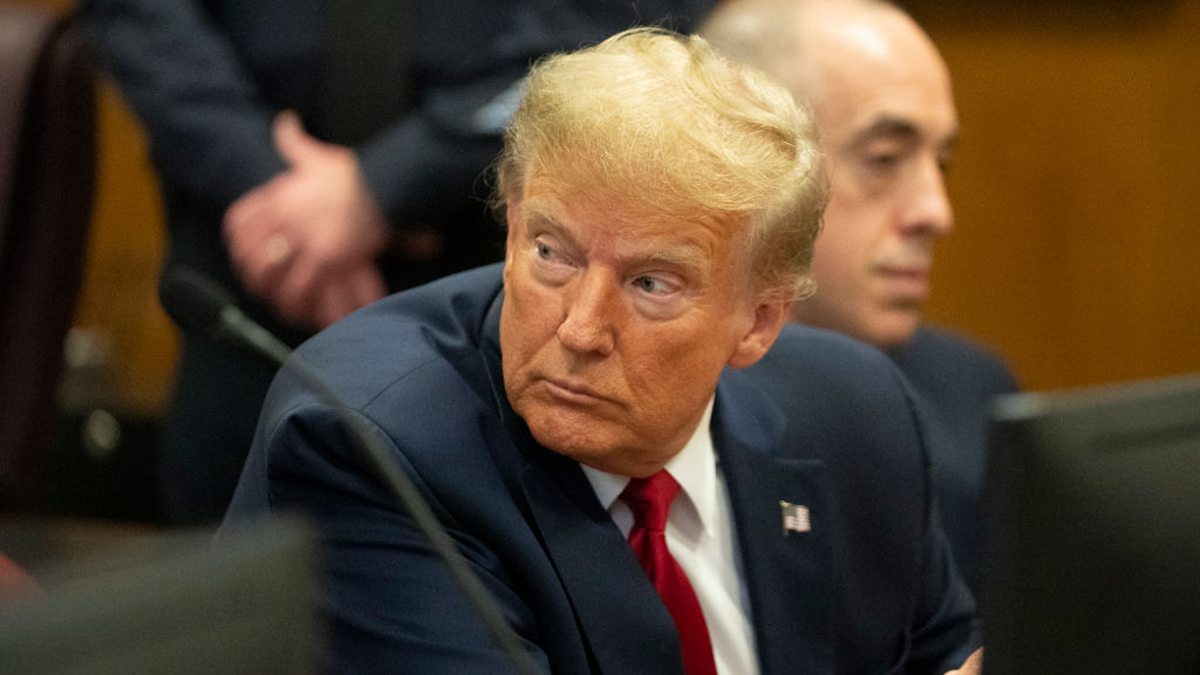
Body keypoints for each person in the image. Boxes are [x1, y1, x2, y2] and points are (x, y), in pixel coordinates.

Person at [221, 27, 983, 675]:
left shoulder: (855, 412)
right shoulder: (372, 447)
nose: (580, 329)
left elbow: (951, 654)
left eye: (652, 283)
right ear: (513, 228)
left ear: (757, 321)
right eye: (553, 253)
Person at [79, 0, 714, 525]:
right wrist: (261, 180)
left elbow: (625, 24)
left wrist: (383, 185)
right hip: (246, 265)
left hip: (509, 272)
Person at [700, 0, 1019, 594]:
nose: (935, 212)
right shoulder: (647, 410)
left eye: (941, 161)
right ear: (743, 163)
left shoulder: (974, 391)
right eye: (884, 159)